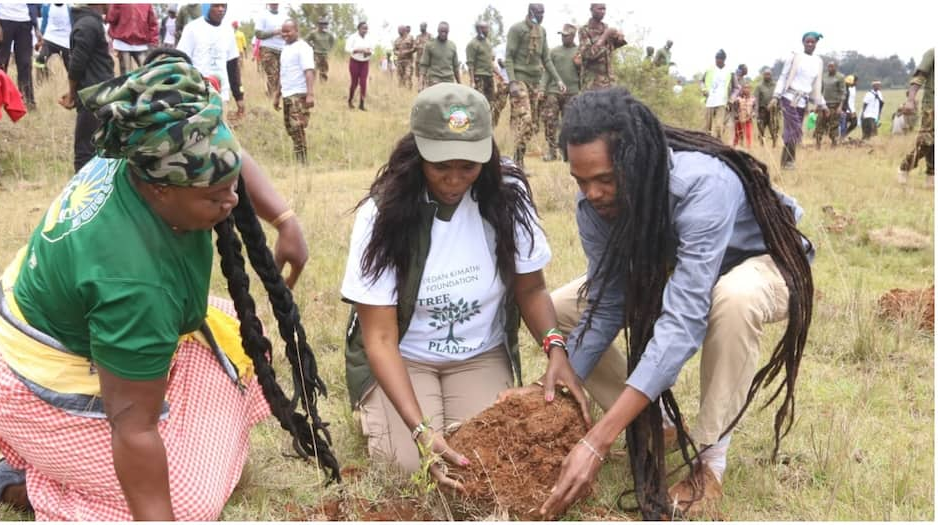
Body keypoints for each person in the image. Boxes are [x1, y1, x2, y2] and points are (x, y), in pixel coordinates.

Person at [0, 49, 339, 521]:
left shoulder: (145, 142)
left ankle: (78, 466)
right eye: (214, 194)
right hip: (32, 386)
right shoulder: (133, 282)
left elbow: (225, 152)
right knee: (189, 501)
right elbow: (134, 430)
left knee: (240, 338)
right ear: (163, 188)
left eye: (230, 182)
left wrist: (285, 219)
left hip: (50, 332)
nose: (231, 198)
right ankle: (31, 480)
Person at [509, 87, 813, 520]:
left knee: (733, 298)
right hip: (685, 263)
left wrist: (599, 439)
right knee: (564, 307)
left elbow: (683, 321)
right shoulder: (592, 206)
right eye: (582, 180)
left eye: (605, 179)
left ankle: (709, 460)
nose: (592, 194)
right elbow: (608, 301)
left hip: (765, 260)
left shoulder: (702, 185)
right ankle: (660, 428)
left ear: (637, 163)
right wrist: (561, 381)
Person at [341, 82, 570, 490]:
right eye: (440, 166)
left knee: (487, 462)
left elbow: (532, 289)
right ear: (417, 153)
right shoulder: (382, 214)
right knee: (412, 468)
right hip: (405, 355)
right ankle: (377, 411)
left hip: (480, 353)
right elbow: (377, 337)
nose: (454, 179)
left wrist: (554, 345)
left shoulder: (508, 197)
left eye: (468, 166)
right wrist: (418, 429)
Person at [505, 4, 565, 168]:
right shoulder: (517, 29)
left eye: (543, 13)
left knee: (531, 125)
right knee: (526, 118)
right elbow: (508, 57)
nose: (541, 16)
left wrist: (558, 80)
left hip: (535, 81)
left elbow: (546, 59)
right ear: (530, 12)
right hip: (519, 80)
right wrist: (512, 82)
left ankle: (518, 160)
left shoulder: (542, 31)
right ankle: (517, 161)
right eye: (538, 13)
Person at [58, 3, 113, 173]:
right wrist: (73, 94)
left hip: (99, 94)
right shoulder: (88, 25)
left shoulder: (90, 23)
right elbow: (76, 65)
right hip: (92, 96)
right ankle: (81, 195)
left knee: (98, 148)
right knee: (85, 151)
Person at [177, 4, 245, 117]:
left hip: (221, 93)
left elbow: (232, 66)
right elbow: (181, 60)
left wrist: (239, 96)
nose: (220, 9)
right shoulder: (192, 29)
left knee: (221, 131)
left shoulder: (228, 30)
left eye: (223, 6)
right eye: (216, 5)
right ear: (207, 6)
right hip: (198, 93)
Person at [771, 32, 826, 170]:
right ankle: (790, 162)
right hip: (789, 98)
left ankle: (786, 162)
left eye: (812, 42)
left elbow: (816, 85)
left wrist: (822, 104)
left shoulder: (818, 61)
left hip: (803, 101)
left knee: (792, 131)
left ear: (816, 44)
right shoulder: (795, 57)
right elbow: (783, 77)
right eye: (807, 41)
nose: (810, 44)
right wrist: (776, 96)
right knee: (795, 129)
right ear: (803, 42)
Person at [540, 24, 580, 161]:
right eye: (562, 35)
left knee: (569, 123)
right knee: (550, 121)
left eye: (566, 35)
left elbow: (585, 73)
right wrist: (542, 88)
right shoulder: (554, 52)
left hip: (573, 92)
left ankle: (566, 152)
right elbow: (547, 72)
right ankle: (552, 151)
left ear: (573, 36)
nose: (563, 37)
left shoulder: (580, 51)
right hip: (553, 91)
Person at [278, 20, 315, 164]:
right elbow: (283, 73)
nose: (285, 34)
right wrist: (277, 94)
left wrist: (310, 94)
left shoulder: (303, 48)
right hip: (287, 93)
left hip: (298, 94)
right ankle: (298, 157)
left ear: (296, 31)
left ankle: (302, 162)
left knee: (297, 127)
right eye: (283, 31)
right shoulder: (285, 48)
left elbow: (309, 71)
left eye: (288, 31)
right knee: (290, 129)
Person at [898, 48, 934, 187]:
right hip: (932, 105)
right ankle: (904, 167)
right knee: (925, 141)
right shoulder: (932, 53)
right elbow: (919, 78)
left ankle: (931, 174)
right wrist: (911, 100)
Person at [0, 3, 40, 108]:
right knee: (0, 64)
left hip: (25, 21)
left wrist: (36, 27)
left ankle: (27, 101)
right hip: (3, 19)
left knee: (25, 63)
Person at [577, 3, 627, 91]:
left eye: (604, 9)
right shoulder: (584, 30)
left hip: (609, 81)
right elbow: (588, 55)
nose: (603, 12)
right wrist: (605, 35)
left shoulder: (606, 27)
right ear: (591, 10)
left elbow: (610, 48)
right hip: (592, 84)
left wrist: (619, 38)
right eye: (599, 9)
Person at [106, 4, 158, 76]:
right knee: (145, 72)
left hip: (122, 41)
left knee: (126, 73)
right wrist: (154, 41)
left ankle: (127, 84)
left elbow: (111, 18)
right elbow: (152, 23)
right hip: (141, 42)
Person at [699, 49, 737, 143]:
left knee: (719, 127)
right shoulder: (709, 69)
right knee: (706, 126)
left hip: (722, 102)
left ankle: (716, 143)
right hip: (709, 101)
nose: (718, 60)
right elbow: (701, 81)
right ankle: (704, 143)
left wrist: (731, 99)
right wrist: (703, 89)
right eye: (716, 58)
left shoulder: (730, 71)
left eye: (720, 59)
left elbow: (736, 87)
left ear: (724, 60)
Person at [255, 3, 286, 106]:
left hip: (282, 48)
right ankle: (271, 99)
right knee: (272, 75)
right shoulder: (263, 15)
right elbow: (258, 34)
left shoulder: (284, 16)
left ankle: (275, 97)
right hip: (268, 48)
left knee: (282, 75)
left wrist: (285, 33)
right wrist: (274, 32)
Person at [35, 3, 71, 83]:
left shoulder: (70, 7)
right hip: (50, 38)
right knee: (40, 60)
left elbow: (74, 24)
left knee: (71, 66)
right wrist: (40, 39)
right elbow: (44, 23)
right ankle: (43, 82)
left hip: (65, 41)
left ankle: (75, 87)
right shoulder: (46, 6)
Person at [418, 22, 459, 88]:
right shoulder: (430, 45)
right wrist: (420, 84)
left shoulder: (452, 46)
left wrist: (459, 83)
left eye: (445, 32)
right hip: (434, 81)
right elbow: (424, 65)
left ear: (448, 31)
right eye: (441, 31)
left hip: (449, 81)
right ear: (438, 31)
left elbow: (456, 67)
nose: (443, 34)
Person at [814, 61, 845, 148]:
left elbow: (843, 93)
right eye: (829, 67)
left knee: (834, 125)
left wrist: (840, 106)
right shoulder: (824, 76)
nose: (830, 68)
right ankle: (818, 143)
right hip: (823, 105)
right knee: (819, 123)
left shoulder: (840, 77)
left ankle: (834, 143)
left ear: (836, 67)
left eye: (832, 67)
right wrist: (817, 105)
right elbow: (820, 91)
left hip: (835, 105)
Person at [466, 22, 495, 107]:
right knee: (479, 103)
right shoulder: (472, 44)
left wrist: (498, 74)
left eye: (488, 28)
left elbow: (490, 60)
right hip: (479, 77)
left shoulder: (488, 42)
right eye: (486, 29)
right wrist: (472, 81)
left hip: (489, 77)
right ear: (479, 30)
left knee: (490, 103)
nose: (488, 31)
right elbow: (470, 64)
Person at [345, 21, 372, 111]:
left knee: (363, 83)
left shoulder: (369, 38)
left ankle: (361, 104)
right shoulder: (353, 37)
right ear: (359, 29)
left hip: (365, 62)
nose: (365, 30)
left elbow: (372, 49)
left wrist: (368, 52)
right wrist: (358, 50)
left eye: (366, 28)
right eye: (363, 28)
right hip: (355, 62)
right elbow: (347, 48)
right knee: (354, 83)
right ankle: (350, 100)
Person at [304, 17, 334, 83]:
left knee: (324, 71)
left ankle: (323, 84)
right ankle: (311, 84)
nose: (323, 25)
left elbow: (332, 42)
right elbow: (306, 40)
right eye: (322, 24)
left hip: (325, 55)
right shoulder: (314, 33)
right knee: (314, 69)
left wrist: (329, 48)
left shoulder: (329, 34)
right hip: (316, 54)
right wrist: (311, 46)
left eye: (325, 24)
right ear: (318, 25)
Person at [755, 67, 779, 147]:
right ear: (763, 75)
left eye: (768, 74)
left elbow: (779, 97)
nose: (767, 76)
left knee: (773, 128)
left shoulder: (775, 85)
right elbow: (756, 100)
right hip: (762, 110)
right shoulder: (759, 86)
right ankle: (762, 144)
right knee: (761, 128)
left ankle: (774, 144)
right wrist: (756, 112)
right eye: (765, 74)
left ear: (771, 75)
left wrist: (781, 108)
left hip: (773, 110)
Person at [733, 83, 756, 148]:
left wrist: (753, 113)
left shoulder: (753, 99)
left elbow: (754, 108)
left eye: (748, 88)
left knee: (748, 134)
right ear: (742, 89)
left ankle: (748, 148)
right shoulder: (738, 99)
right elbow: (735, 109)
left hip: (748, 119)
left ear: (750, 89)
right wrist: (736, 116)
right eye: (745, 88)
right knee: (738, 135)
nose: (746, 89)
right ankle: (735, 147)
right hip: (739, 119)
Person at [492, 42, 509, 127]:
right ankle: (493, 125)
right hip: (504, 81)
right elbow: (500, 63)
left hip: (516, 81)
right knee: (499, 105)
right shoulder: (502, 47)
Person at [413, 22, 432, 88]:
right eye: (420, 27)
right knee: (419, 76)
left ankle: (426, 88)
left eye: (422, 27)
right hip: (418, 60)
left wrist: (421, 46)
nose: (421, 28)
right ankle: (420, 88)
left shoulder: (430, 36)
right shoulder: (418, 37)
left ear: (426, 27)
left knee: (427, 76)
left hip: (427, 60)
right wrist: (421, 46)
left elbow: (432, 46)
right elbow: (414, 46)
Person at [840, 74, 859, 138]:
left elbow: (850, 100)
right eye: (856, 82)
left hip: (850, 108)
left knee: (854, 123)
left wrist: (851, 110)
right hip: (843, 109)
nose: (856, 83)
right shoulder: (845, 88)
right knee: (843, 125)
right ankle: (841, 137)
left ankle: (844, 135)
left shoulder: (852, 88)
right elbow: (843, 100)